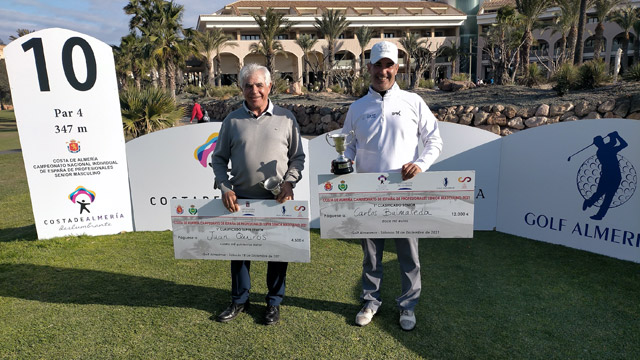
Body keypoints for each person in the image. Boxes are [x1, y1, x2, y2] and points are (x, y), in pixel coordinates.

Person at [337, 41, 443, 331]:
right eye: (377, 65)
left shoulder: (413, 101)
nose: (382, 71)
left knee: (409, 254)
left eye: (388, 65)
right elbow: (348, 146)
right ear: (368, 67)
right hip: (368, 193)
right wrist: (343, 163)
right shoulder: (357, 107)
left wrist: (420, 164)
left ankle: (407, 306)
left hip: (404, 193)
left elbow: (434, 140)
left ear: (397, 68)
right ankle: (371, 301)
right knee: (371, 255)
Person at [211, 63, 305, 325]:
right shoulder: (232, 121)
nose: (254, 90)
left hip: (278, 200)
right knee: (239, 253)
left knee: (278, 252)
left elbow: (297, 158)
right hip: (240, 201)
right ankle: (239, 300)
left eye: (259, 85)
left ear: (269, 86)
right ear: (241, 88)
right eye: (248, 85)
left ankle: (273, 303)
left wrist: (290, 182)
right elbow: (218, 160)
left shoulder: (286, 119)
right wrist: (224, 186)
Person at [582, 131, 627, 220]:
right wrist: (616, 136)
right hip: (612, 175)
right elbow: (623, 144)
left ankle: (595, 209)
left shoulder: (601, 150)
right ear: (600, 143)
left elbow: (613, 143)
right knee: (605, 195)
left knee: (605, 195)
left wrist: (613, 136)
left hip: (611, 175)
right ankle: (591, 204)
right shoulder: (605, 150)